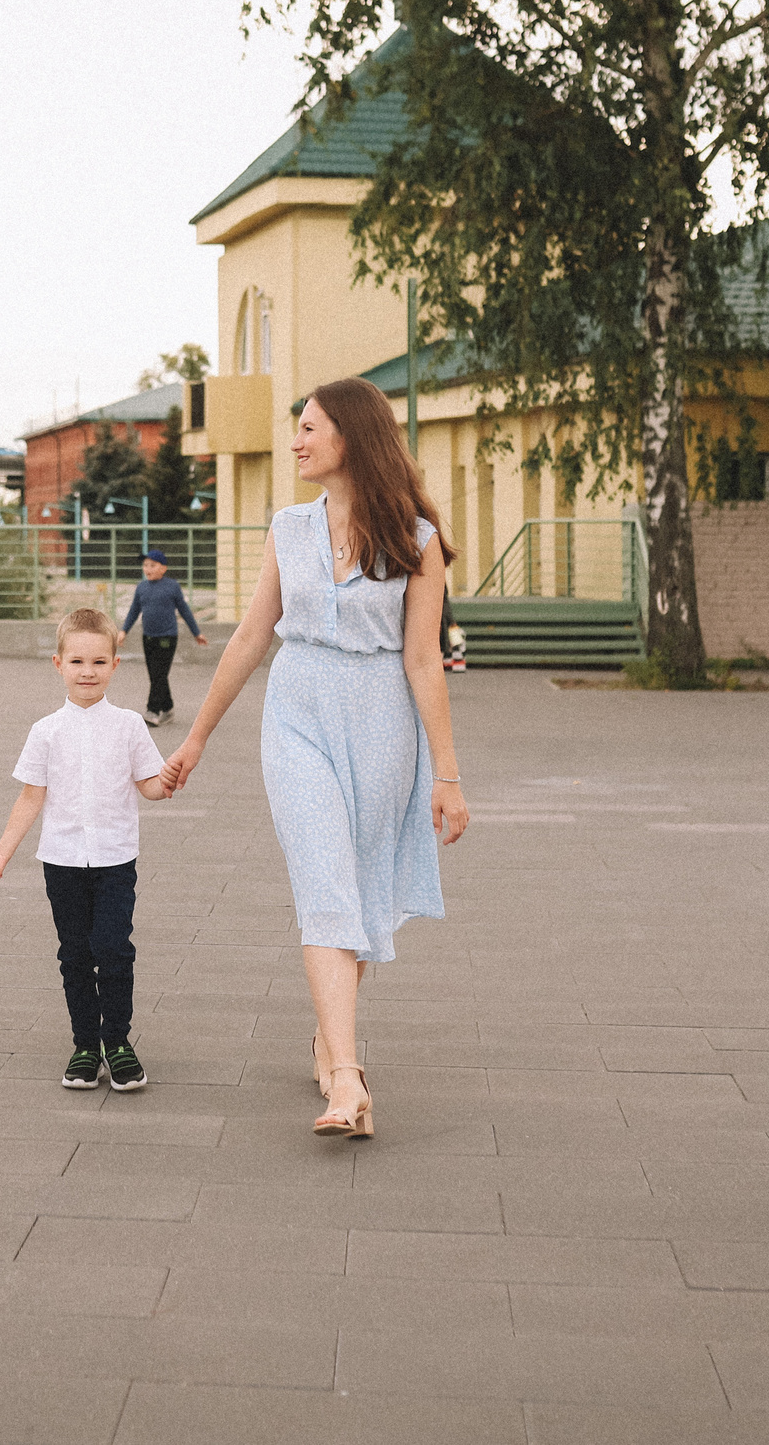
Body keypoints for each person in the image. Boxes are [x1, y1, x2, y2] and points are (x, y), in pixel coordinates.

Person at [158, 378, 469, 1139]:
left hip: (384, 725)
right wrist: (196, 736)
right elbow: (248, 637)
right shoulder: (288, 529)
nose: (296, 442)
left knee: (356, 892)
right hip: (296, 716)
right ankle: (347, 1075)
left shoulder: (418, 540)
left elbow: (425, 661)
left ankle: (330, 1039)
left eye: (308, 428)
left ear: (351, 437)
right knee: (325, 880)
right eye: (297, 429)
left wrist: (449, 775)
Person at [0, 607, 176, 1091]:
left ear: (115, 664)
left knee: (113, 949)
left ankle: (118, 1042)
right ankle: (85, 1045)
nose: (87, 672)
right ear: (58, 664)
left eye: (98, 662)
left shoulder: (131, 725)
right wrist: (0, 855)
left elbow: (149, 786)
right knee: (74, 954)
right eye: (77, 662)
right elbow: (31, 798)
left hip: (115, 859)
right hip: (62, 862)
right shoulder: (45, 730)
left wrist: (168, 780)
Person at [120, 548, 207, 725]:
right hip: (148, 637)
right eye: (145, 565)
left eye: (152, 565)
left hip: (167, 637)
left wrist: (196, 632)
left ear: (163, 568)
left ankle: (152, 711)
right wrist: (124, 631)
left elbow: (184, 610)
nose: (148, 569)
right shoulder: (141, 587)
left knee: (159, 674)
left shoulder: (172, 586)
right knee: (155, 675)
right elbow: (134, 611)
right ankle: (167, 709)